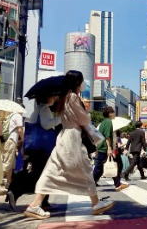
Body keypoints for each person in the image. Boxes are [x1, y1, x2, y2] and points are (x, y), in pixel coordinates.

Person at [25, 71, 114, 219]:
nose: (83, 84)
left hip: (64, 136)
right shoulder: (72, 97)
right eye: (82, 81)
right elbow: (84, 120)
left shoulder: (64, 97)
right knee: (84, 168)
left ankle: (35, 204)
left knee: (52, 169)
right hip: (72, 137)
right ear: (77, 83)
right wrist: (86, 112)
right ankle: (96, 203)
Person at [6, 93, 61, 210]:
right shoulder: (44, 109)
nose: (54, 98)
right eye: (53, 96)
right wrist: (59, 119)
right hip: (42, 147)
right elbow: (47, 125)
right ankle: (16, 190)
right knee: (44, 172)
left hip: (36, 146)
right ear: (47, 97)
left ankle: (42, 200)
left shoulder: (37, 109)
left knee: (40, 172)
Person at [92, 107, 129, 191]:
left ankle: (117, 184)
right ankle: (90, 185)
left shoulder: (103, 123)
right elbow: (107, 136)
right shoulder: (108, 122)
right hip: (105, 147)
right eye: (113, 112)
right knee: (101, 168)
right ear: (110, 114)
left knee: (105, 167)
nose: (115, 114)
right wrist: (109, 148)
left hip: (101, 147)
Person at [2, 110, 24, 188]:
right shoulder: (18, 116)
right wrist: (23, 139)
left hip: (8, 141)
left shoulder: (10, 116)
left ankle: (9, 183)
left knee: (11, 164)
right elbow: (20, 129)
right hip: (11, 141)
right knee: (7, 162)